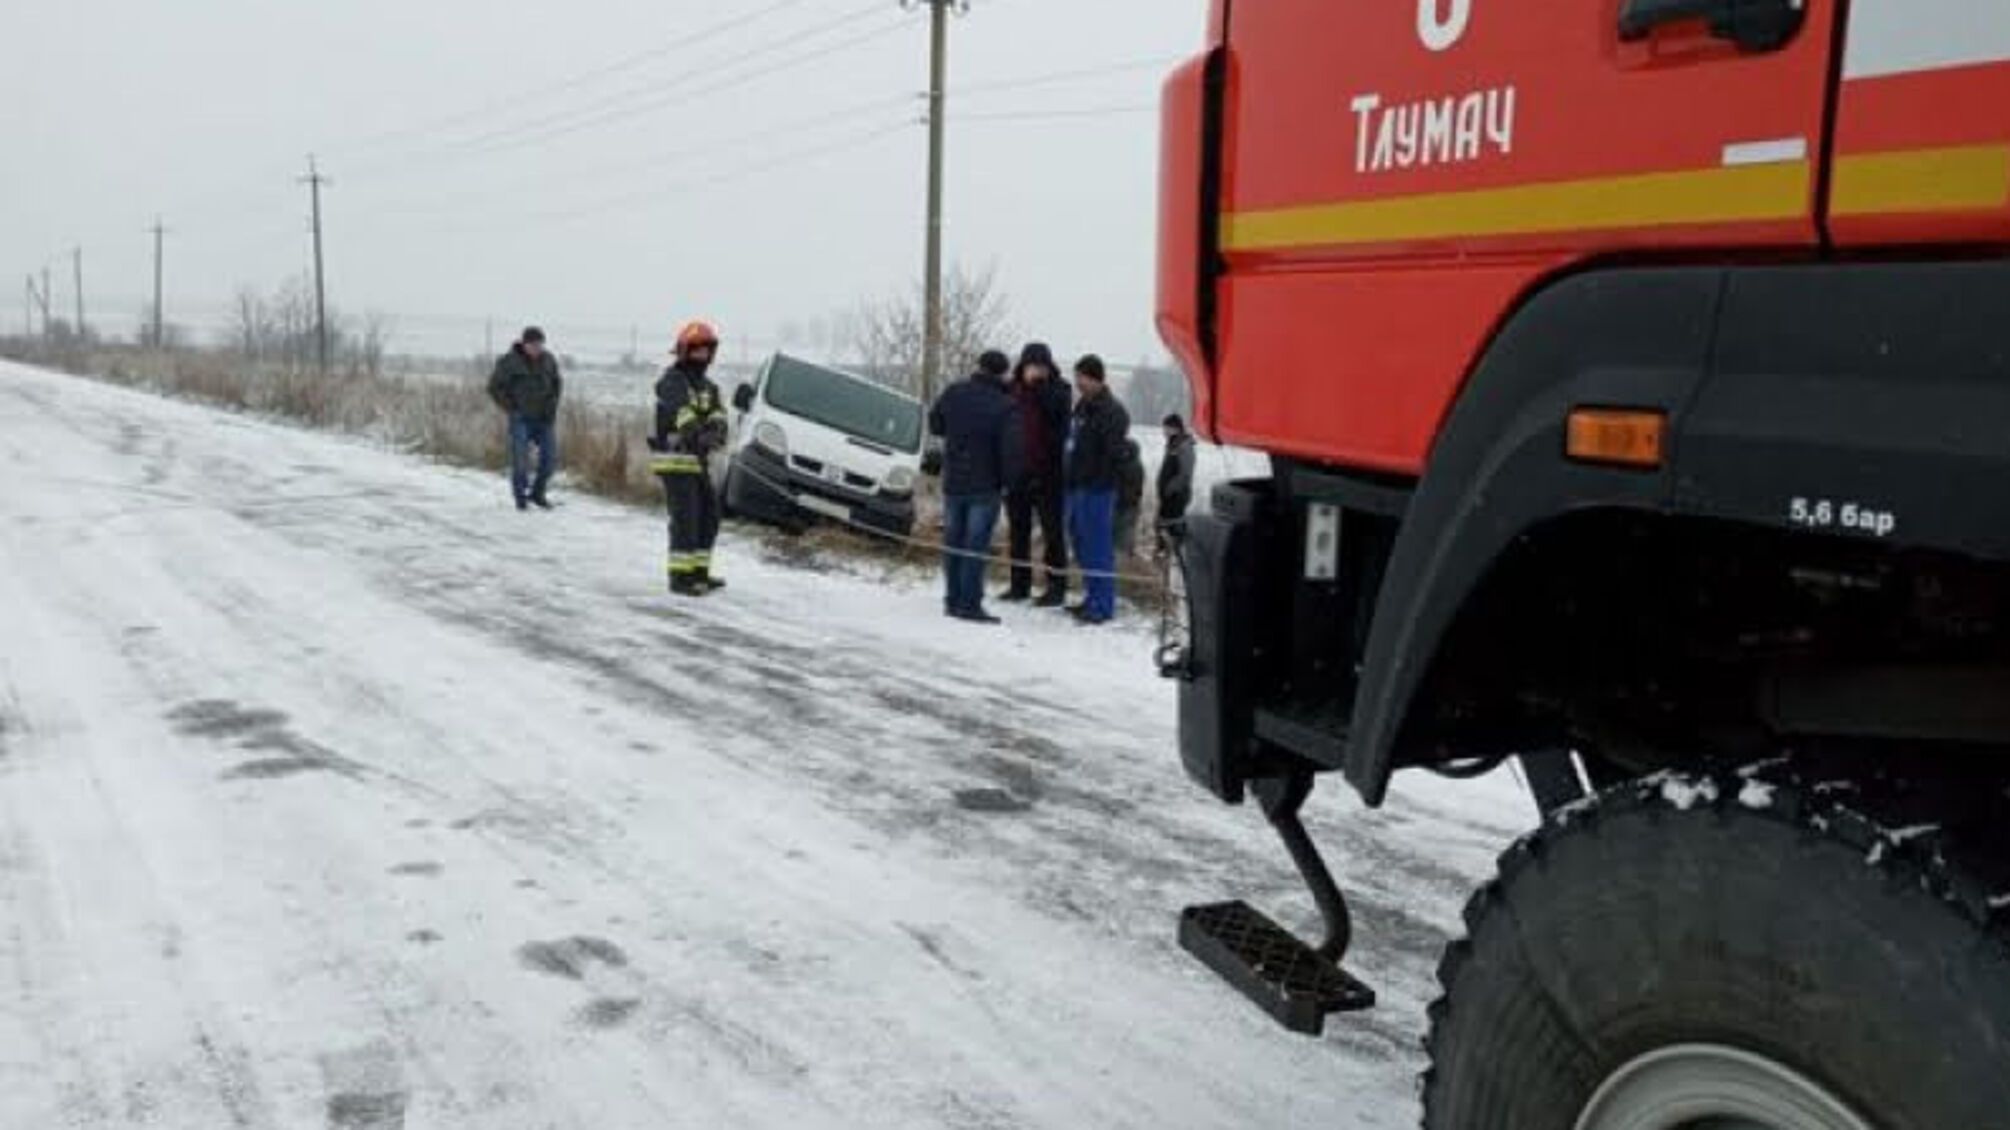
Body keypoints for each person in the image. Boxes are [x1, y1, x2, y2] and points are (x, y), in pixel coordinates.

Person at [929, 350, 1023, 624]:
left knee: (953, 542)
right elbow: (1011, 451)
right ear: (1004, 373)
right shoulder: (1007, 405)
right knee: (975, 546)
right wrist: (1010, 483)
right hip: (986, 484)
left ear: (979, 367)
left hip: (955, 479)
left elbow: (936, 424)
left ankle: (952, 599)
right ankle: (969, 604)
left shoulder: (955, 392)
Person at [649, 322, 731, 596]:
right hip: (674, 460)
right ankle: (680, 579)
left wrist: (717, 431)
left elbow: (719, 414)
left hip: (697, 461)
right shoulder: (671, 381)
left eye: (706, 350)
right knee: (687, 518)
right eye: (696, 350)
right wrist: (696, 433)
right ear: (684, 351)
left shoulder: (710, 387)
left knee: (710, 515)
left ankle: (700, 574)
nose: (701, 356)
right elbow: (681, 412)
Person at [1001, 342, 1073, 607]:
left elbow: (1059, 419)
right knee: (1018, 532)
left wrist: (1040, 387)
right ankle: (1019, 584)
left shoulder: (1060, 390)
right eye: (1032, 365)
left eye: (1041, 366)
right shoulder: (1011, 390)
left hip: (1048, 474)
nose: (1036, 370)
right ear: (1023, 365)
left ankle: (1056, 587)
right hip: (1017, 471)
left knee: (1052, 533)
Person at [1064, 354, 1131, 625]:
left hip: (1098, 490)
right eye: (1076, 377)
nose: (1077, 383)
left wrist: (1097, 478)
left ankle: (1103, 605)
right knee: (1081, 544)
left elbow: (1113, 454)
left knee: (1097, 547)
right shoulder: (1082, 406)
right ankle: (1091, 596)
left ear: (1095, 378)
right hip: (1076, 486)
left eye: (1081, 377)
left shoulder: (1112, 411)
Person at [487, 326, 564, 511]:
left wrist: (552, 407)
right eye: (533, 345)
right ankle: (520, 498)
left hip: (544, 419)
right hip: (521, 419)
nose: (537, 348)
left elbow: (557, 384)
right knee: (520, 461)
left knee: (549, 460)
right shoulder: (509, 362)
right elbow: (494, 388)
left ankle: (537, 494)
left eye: (540, 344)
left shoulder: (549, 360)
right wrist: (511, 408)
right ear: (524, 344)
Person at [1157, 413, 1198, 533]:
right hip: (1168, 496)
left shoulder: (1185, 446)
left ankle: (1176, 550)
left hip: (1177, 496)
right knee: (1164, 528)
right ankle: (1166, 549)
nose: (1164, 431)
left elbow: (1186, 473)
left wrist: (1170, 488)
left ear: (1175, 428)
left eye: (1166, 428)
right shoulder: (1172, 444)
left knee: (1174, 530)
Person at [1115, 437, 1146, 559]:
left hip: (1124, 503)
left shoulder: (1127, 466)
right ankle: (1127, 555)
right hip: (1133, 503)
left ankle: (1123, 556)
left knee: (1123, 531)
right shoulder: (1138, 465)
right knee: (1129, 531)